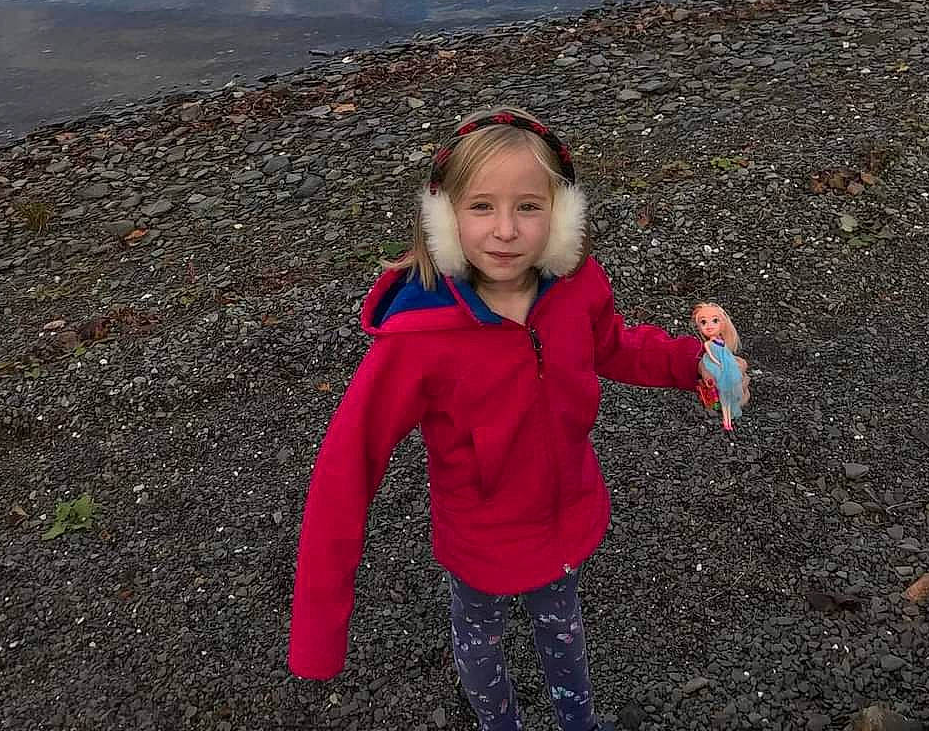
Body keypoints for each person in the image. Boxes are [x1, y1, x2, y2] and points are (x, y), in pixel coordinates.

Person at [288, 106, 748, 731]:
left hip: (566, 512)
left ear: (560, 215)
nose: (505, 230)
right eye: (481, 207)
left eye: (528, 207)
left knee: (563, 631)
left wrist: (690, 361)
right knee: (480, 638)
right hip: (479, 536)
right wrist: (319, 629)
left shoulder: (574, 284)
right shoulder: (418, 338)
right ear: (444, 215)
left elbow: (612, 344)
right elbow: (347, 467)